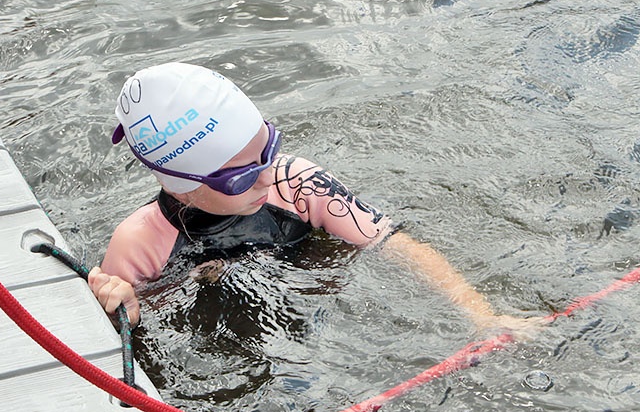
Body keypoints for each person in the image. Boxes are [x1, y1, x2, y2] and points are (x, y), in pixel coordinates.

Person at [88, 62, 542, 336]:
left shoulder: (298, 185)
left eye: (269, 149)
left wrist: (481, 314)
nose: (268, 176)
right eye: (242, 176)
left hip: (315, 304)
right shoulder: (139, 242)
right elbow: (134, 323)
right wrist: (123, 304)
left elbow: (395, 246)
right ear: (179, 184)